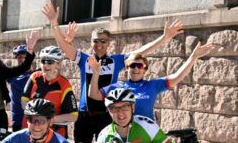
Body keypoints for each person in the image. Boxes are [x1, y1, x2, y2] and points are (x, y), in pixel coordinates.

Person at [41, 2, 185, 143]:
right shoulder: (85, 59)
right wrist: (54, 23)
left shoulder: (115, 61)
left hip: (107, 115)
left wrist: (165, 38)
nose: (99, 44)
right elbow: (63, 46)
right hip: (85, 115)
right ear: (91, 43)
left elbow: (140, 52)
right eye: (95, 41)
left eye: (103, 41)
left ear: (108, 42)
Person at [87, 43, 215, 120]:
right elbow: (93, 95)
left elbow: (176, 77)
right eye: (132, 66)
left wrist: (193, 57)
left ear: (145, 70)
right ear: (127, 69)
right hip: (124, 137)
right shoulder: (117, 87)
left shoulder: (152, 85)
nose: (136, 69)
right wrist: (96, 73)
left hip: (147, 136)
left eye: (140, 66)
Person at [20, 45, 78, 137]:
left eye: (50, 62)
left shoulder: (64, 85)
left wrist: (50, 119)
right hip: (29, 132)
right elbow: (24, 100)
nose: (45, 65)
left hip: (52, 135)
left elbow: (73, 115)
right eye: (43, 61)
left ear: (58, 64)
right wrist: (34, 113)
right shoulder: (34, 77)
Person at [7, 44, 34, 132]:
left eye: (24, 57)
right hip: (17, 117)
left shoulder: (37, 75)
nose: (22, 59)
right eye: (19, 57)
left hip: (33, 118)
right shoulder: (12, 74)